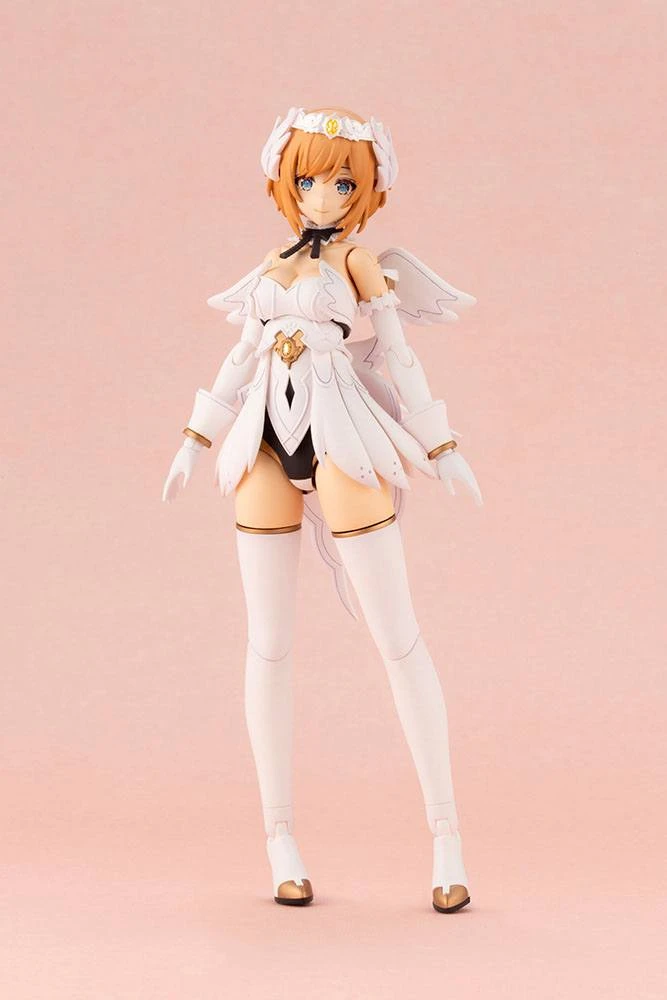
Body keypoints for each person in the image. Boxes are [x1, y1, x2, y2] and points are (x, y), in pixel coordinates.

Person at [162, 106, 482, 912]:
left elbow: (399, 355)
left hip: (342, 439)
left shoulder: (360, 262)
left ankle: (447, 841)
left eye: (344, 182)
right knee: (267, 646)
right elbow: (241, 355)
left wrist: (441, 445)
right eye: (309, 179)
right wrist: (195, 439)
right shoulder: (270, 263)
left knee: (397, 638)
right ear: (284, 180)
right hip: (263, 445)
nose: (325, 195)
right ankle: (280, 841)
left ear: (367, 189)